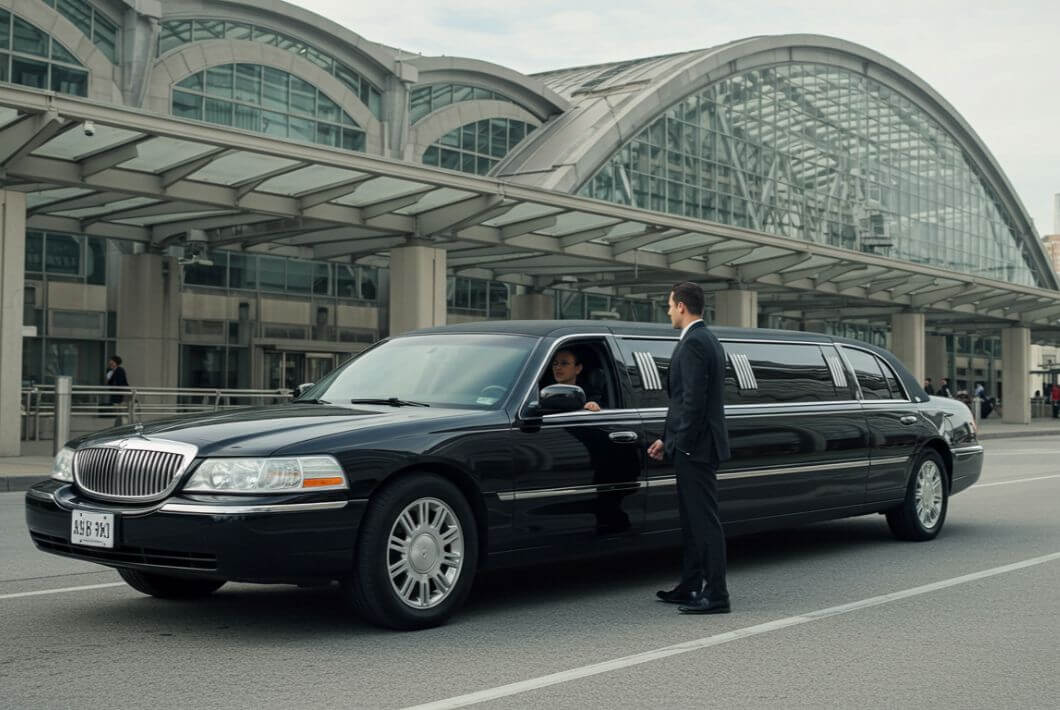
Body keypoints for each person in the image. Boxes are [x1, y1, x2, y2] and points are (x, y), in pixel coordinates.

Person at [648, 282, 732, 615]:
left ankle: (717, 594)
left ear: (682, 306)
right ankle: (691, 585)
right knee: (693, 521)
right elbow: (683, 403)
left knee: (704, 521)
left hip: (696, 448)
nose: (668, 311)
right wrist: (665, 440)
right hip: (692, 445)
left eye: (669, 305)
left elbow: (693, 402)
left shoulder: (696, 342)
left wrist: (679, 445)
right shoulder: (704, 339)